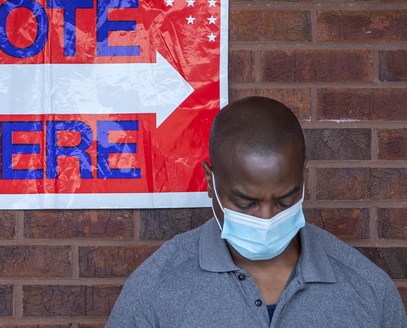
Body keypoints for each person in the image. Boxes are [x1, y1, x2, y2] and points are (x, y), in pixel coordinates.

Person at [106, 96, 406, 327]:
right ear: (211, 181)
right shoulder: (157, 286)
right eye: (246, 203)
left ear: (303, 178)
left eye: (284, 201)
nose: (267, 218)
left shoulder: (368, 290)